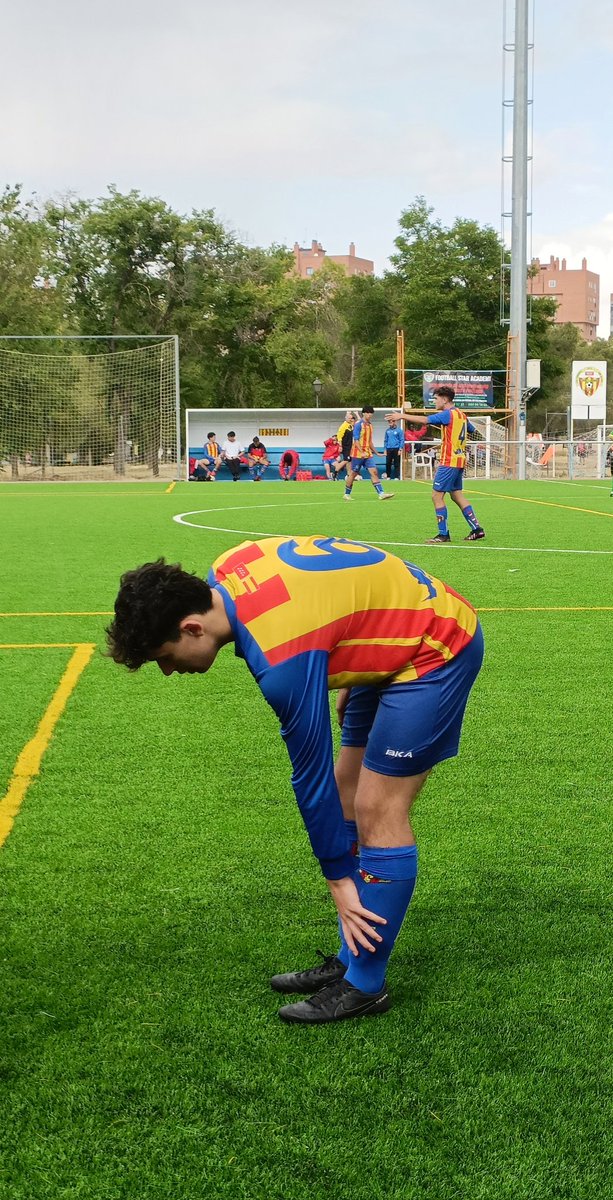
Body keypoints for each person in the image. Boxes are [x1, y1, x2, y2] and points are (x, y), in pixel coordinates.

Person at [106, 536, 484, 1024]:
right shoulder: (228, 566)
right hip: (395, 634)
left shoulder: (281, 655)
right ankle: (352, 959)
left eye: (164, 655)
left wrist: (339, 881)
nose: (167, 671)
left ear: (192, 626)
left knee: (377, 809)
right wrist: (360, 659)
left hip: (436, 647)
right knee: (349, 792)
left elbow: (310, 776)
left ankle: (366, 984)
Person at [406, 386, 484, 543]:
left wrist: (401, 415)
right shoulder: (461, 415)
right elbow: (473, 432)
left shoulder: (447, 415)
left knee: (436, 496)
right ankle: (477, 529)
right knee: (456, 495)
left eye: (436, 398)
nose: (434, 401)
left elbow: (425, 420)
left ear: (444, 399)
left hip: (449, 461)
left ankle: (443, 534)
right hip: (460, 460)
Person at [343, 406, 394, 501]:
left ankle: (381, 493)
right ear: (364, 413)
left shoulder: (370, 425)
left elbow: (370, 442)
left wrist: (377, 453)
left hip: (367, 454)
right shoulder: (358, 424)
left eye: (371, 413)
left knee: (374, 472)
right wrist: (361, 452)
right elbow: (356, 440)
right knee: (353, 474)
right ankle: (346, 494)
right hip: (357, 454)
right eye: (368, 413)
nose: (370, 415)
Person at [334, 410, 358, 478]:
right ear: (346, 418)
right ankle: (335, 472)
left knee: (349, 460)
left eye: (351, 418)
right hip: (345, 446)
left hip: (350, 446)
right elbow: (339, 437)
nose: (350, 420)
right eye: (349, 418)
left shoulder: (349, 425)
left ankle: (349, 474)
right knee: (346, 460)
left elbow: (358, 422)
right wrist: (340, 446)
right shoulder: (343, 426)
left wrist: (354, 414)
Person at [383, 414, 404, 480]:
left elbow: (402, 439)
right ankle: (388, 476)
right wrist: (385, 449)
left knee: (396, 463)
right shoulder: (387, 431)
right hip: (389, 448)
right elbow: (385, 440)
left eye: (391, 421)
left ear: (394, 422)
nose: (389, 423)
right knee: (388, 463)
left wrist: (400, 449)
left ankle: (396, 476)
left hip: (396, 448)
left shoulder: (399, 430)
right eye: (389, 422)